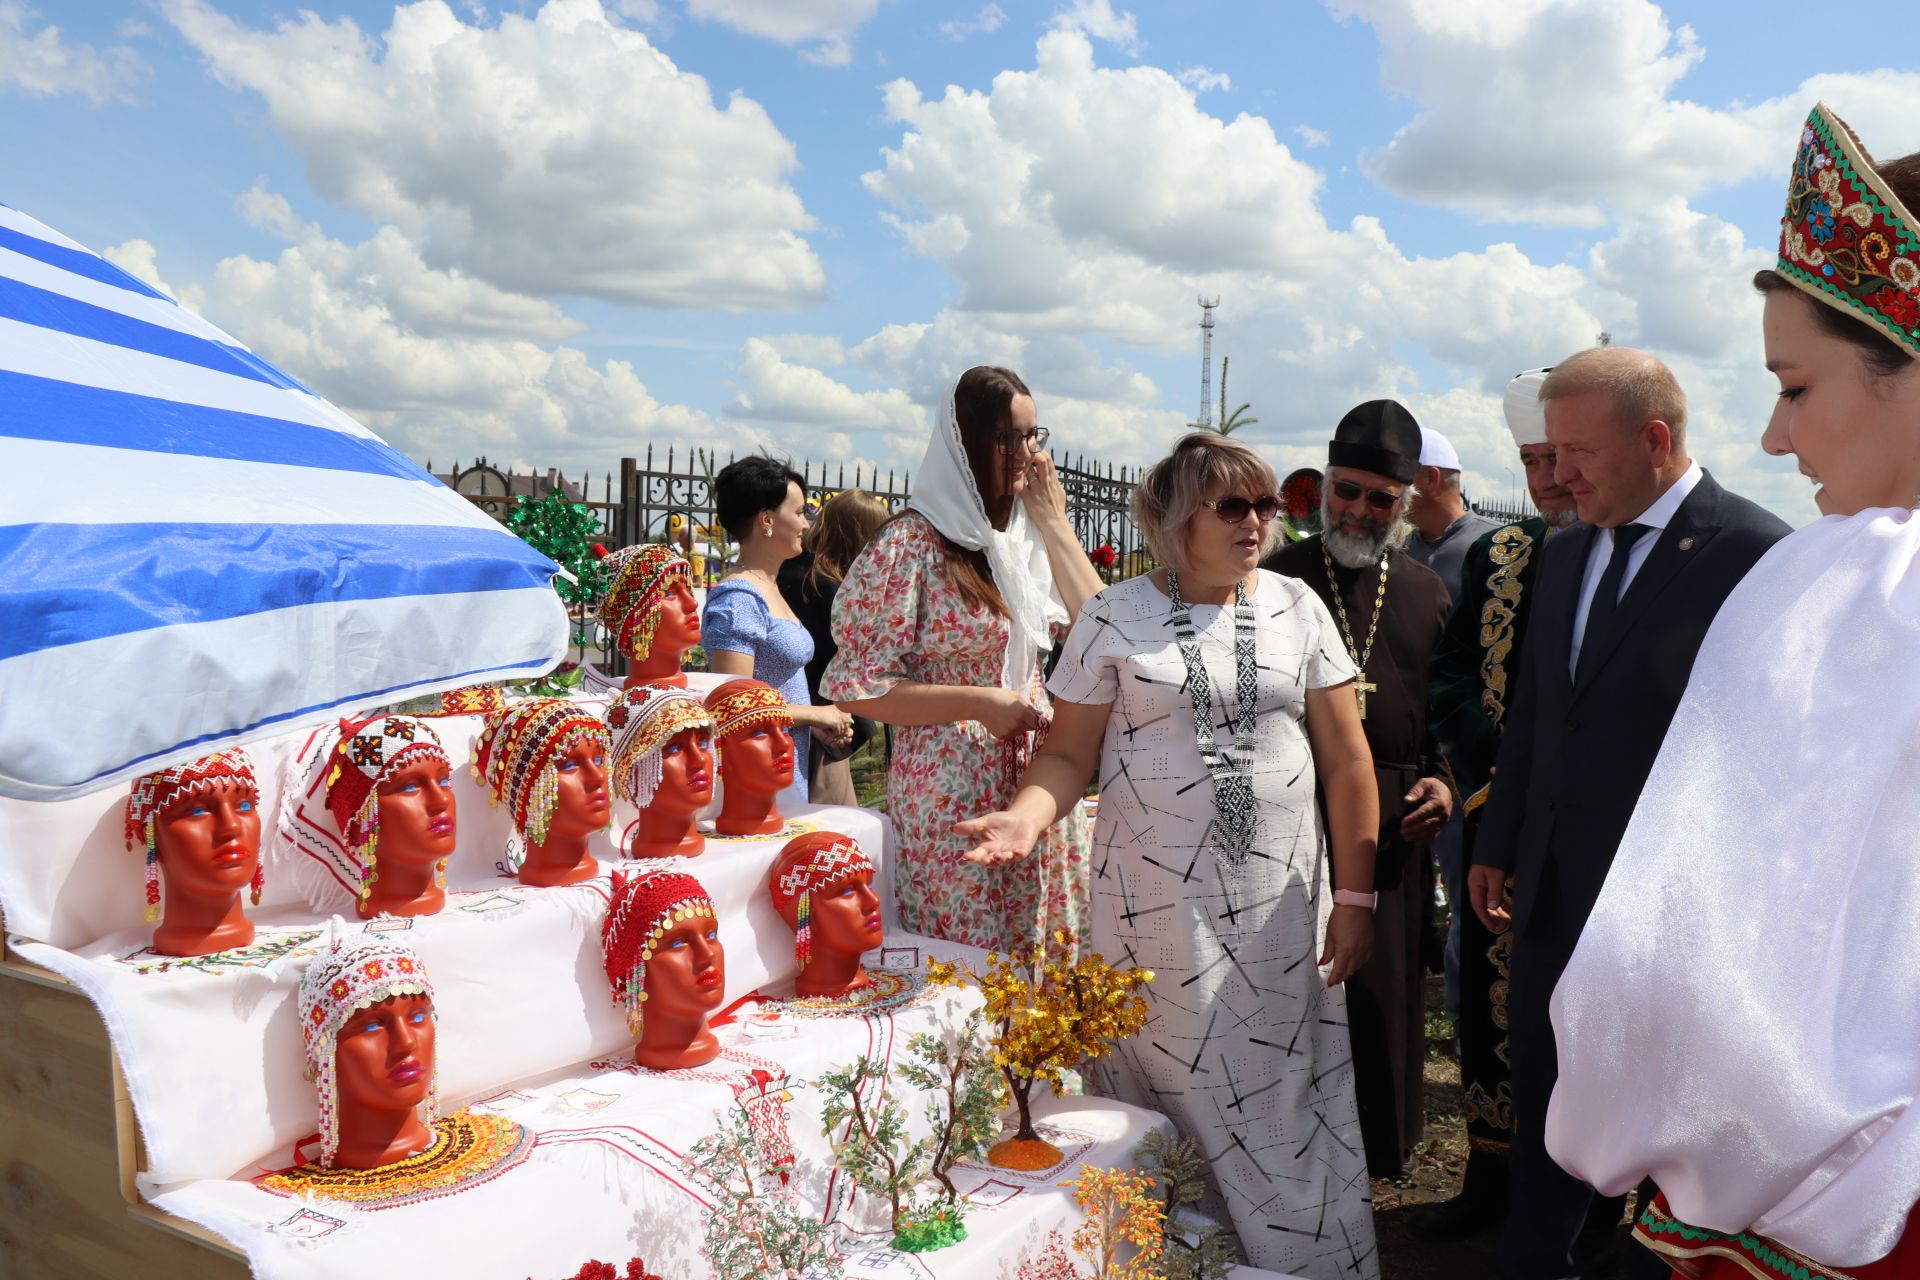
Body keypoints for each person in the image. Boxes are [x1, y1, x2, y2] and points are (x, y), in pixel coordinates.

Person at [1546, 104, 1920, 1279]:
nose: (1774, 432)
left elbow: (1679, 959)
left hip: (1850, 1206)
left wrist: (1616, 1104)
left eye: (1797, 386)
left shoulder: (1854, 586)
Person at [957, 432, 1381, 1280]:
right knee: (1165, 1088)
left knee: (1280, 1094)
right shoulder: (1114, 616)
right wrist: (1027, 818)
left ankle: (1298, 1266)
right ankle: (1175, 1259)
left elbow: (1345, 757)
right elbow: (1069, 756)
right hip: (1153, 911)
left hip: (1276, 905)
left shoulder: (1300, 606)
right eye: (1234, 506)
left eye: (1268, 504)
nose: (1258, 521)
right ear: (1176, 521)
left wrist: (1358, 898)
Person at [1464, 346, 1790, 1280]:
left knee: (1664, 1131)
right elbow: (1535, 711)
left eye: (1574, 451)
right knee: (1547, 1105)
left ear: (1654, 440)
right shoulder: (1564, 554)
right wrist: (1501, 837)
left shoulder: (1757, 555)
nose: (1556, 475)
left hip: (1676, 920)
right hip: (1553, 898)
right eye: (1549, 451)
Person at [822, 365, 1101, 952]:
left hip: (1038, 776)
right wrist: (978, 701)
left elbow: (1104, 627)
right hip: (951, 785)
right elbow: (854, 686)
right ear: (968, 444)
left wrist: (1055, 523)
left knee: (1045, 950)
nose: (1029, 454)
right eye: (1009, 439)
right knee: (969, 960)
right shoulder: (912, 545)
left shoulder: (1026, 536)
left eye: (1034, 436)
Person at [1410, 367, 1579, 1243]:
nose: (1547, 479)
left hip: (1596, 833)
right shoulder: (1499, 556)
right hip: (1496, 823)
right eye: (1530, 459)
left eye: (1560, 457)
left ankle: (1583, 1205)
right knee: (1487, 1000)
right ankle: (1488, 1175)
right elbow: (1451, 678)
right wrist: (1494, 777)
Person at [1264, 399, 1453, 1179]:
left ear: (1404, 504)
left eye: (1381, 499)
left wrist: (1443, 780)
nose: (1360, 510)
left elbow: (1448, 714)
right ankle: (1283, 1145)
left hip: (1392, 832)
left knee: (1381, 999)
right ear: (1324, 487)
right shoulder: (1273, 582)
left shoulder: (1428, 593)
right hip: (1290, 816)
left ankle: (1378, 1156)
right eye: (1347, 491)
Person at [704, 455, 855, 802]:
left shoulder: (766, 586)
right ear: (767, 520)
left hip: (785, 766)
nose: (806, 523)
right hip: (756, 779)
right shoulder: (739, 598)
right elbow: (734, 705)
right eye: (800, 512)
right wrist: (815, 713)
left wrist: (812, 724)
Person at [777, 489, 890, 806]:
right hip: (821, 730)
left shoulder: (801, 574)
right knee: (830, 831)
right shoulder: (829, 588)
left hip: (804, 723)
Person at [1406, 426, 1504, 603]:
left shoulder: (1498, 545)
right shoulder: (1399, 548)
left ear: (1430, 478)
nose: (1391, 487)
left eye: (1402, 476)